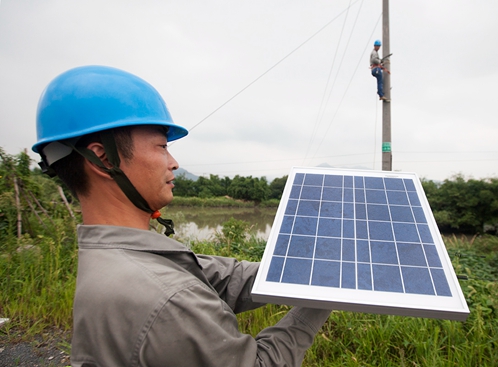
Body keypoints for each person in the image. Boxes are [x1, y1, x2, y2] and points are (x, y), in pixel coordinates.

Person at [32, 65, 331, 367]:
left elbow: (224, 279)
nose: (174, 163)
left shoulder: (117, 257)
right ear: (104, 158)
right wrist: (326, 294)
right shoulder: (166, 298)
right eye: (162, 146)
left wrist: (309, 266)